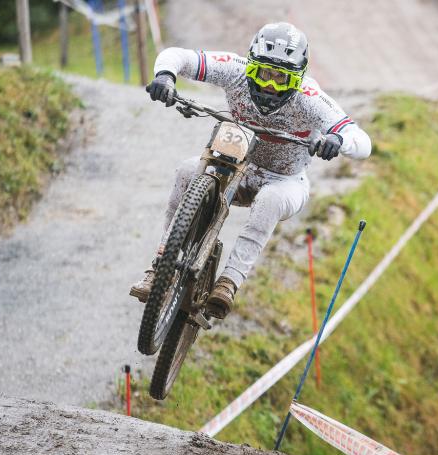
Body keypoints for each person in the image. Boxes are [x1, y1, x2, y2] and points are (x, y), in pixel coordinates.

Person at [131, 22, 372, 318]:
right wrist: (165, 76)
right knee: (185, 171)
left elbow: (362, 141)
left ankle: (229, 281)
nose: (270, 84)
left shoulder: (310, 98)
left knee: (269, 201)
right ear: (251, 67)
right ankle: (159, 269)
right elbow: (178, 55)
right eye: (264, 73)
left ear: (297, 79)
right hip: (234, 164)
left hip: (285, 181)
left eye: (281, 78)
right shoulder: (235, 69)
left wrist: (337, 140)